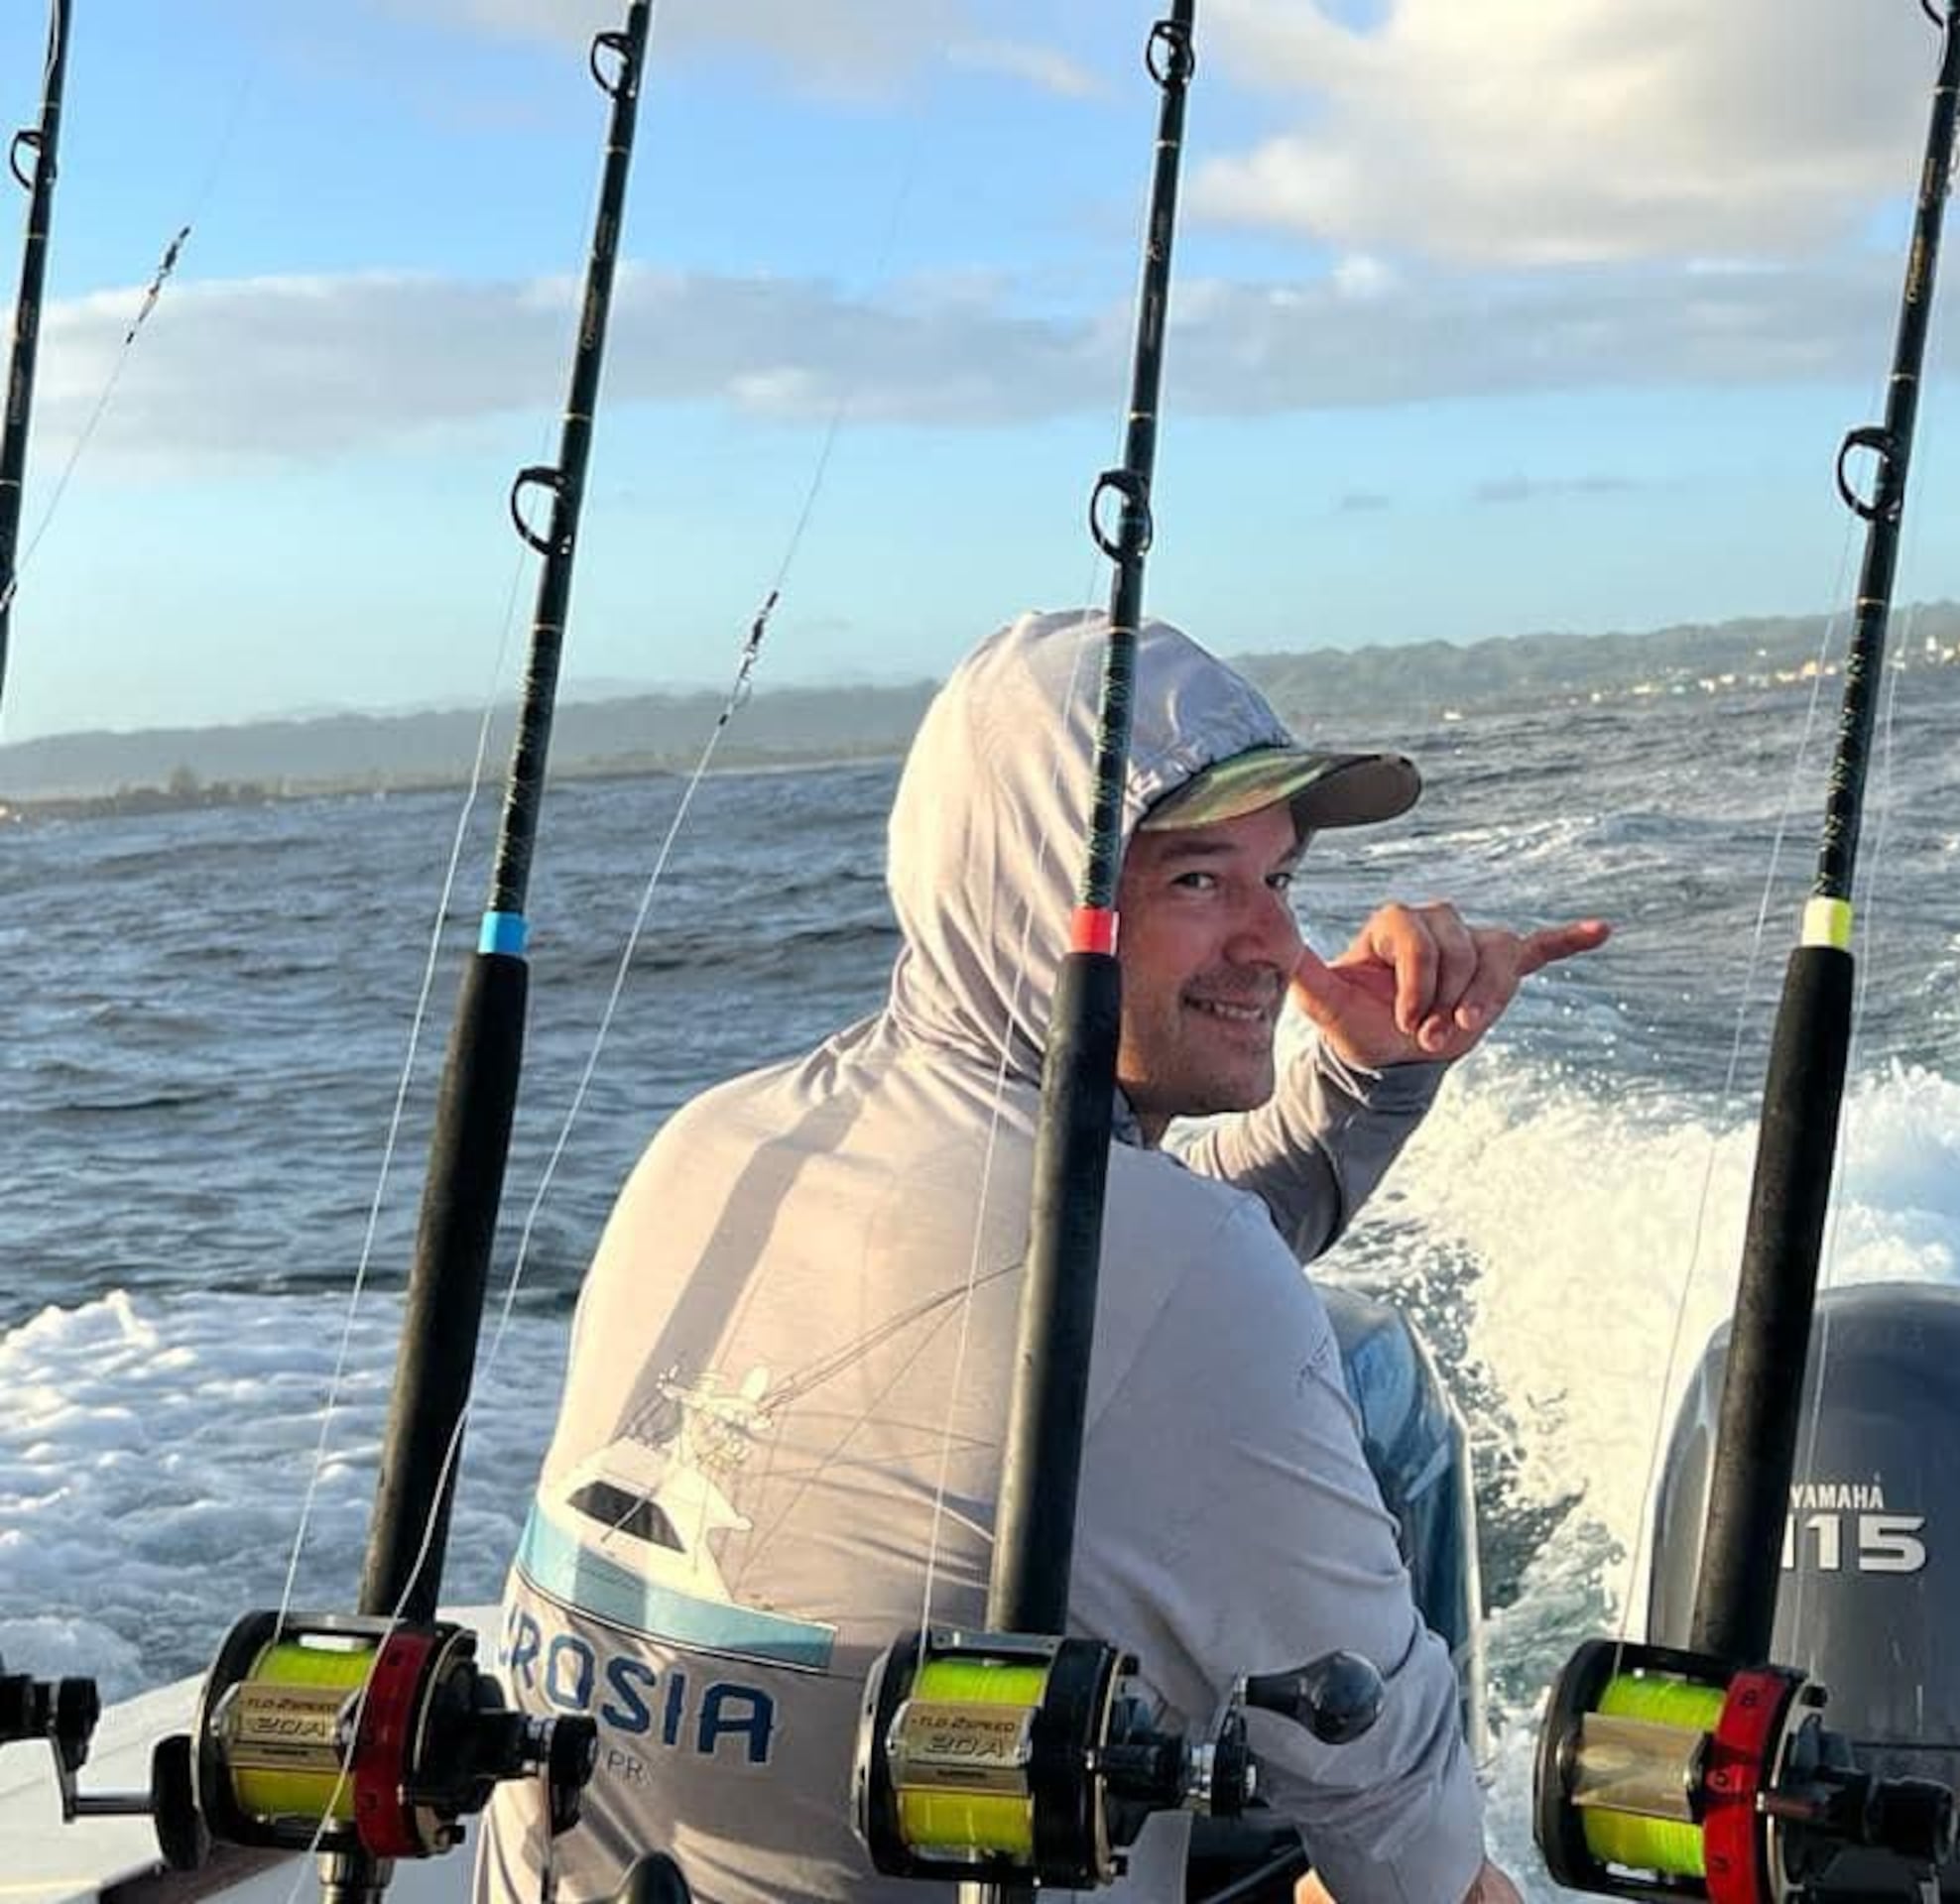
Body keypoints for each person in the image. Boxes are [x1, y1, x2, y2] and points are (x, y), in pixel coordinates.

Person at [478, 607, 1607, 1904]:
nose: (1275, 945)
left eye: (1281, 880)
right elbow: (1413, 1862)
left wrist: (1367, 1078)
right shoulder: (1174, 1281)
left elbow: (1089, 1304)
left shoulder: (719, 1143)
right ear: (1024, 896)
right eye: (1197, 881)